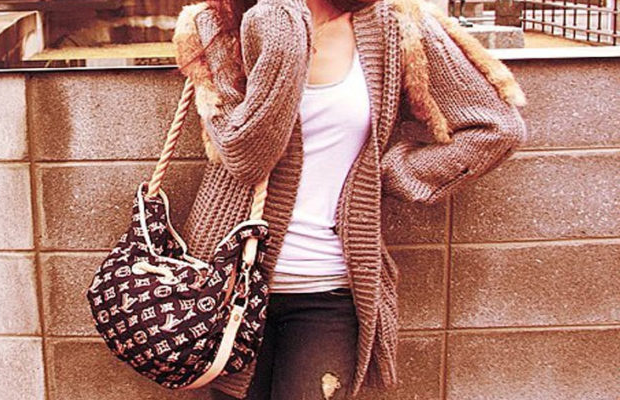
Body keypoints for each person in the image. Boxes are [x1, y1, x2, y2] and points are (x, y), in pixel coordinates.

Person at [172, 0, 528, 398]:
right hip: (225, 287)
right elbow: (247, 156)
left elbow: (495, 128)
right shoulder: (218, 24)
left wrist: (389, 174)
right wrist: (280, 25)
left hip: (329, 288)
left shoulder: (396, 25)